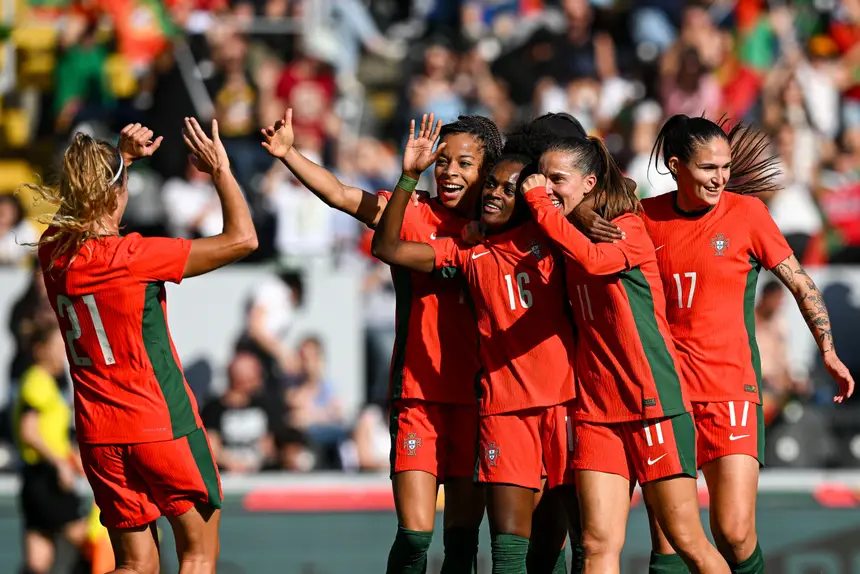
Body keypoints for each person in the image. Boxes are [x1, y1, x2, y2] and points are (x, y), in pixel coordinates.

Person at [578, 115, 855, 574]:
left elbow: (800, 282)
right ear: (675, 166)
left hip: (730, 392)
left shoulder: (747, 214)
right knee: (669, 541)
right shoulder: (645, 220)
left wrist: (826, 347)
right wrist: (587, 212)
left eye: (725, 167)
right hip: (669, 399)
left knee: (733, 531)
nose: (720, 178)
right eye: (708, 168)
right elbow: (588, 209)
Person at [261, 110, 502, 573]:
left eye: (465, 163)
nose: (450, 170)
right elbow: (340, 195)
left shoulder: (501, 229)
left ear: (487, 172)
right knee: (413, 537)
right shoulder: (410, 213)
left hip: (477, 401)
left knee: (462, 544)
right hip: (417, 397)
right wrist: (289, 153)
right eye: (443, 159)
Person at [29, 119, 258, 574]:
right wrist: (220, 172)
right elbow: (243, 239)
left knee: (135, 566)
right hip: (161, 423)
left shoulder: (52, 252)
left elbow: (78, 211)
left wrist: (120, 159)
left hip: (99, 435)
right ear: (116, 193)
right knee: (196, 555)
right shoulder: (134, 256)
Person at [372, 116, 577, 574]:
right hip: (491, 408)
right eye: (493, 186)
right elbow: (384, 245)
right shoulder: (466, 253)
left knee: (562, 545)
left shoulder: (552, 239)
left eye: (507, 188)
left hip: (560, 405)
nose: (494, 193)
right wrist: (407, 176)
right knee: (465, 544)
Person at [518, 137, 729, 574]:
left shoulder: (628, 228)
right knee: (596, 545)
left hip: (653, 402)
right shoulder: (565, 231)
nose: (547, 187)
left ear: (589, 182)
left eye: (558, 179)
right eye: (543, 179)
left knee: (687, 539)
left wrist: (542, 202)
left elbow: (595, 261)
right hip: (597, 412)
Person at [14, 324, 89, 574]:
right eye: (57, 347)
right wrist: (59, 464)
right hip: (46, 477)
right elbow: (29, 431)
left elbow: (51, 434)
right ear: (40, 350)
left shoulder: (50, 382)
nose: (62, 353)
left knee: (38, 560)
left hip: (35, 478)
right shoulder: (38, 381)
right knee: (90, 543)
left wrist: (74, 459)